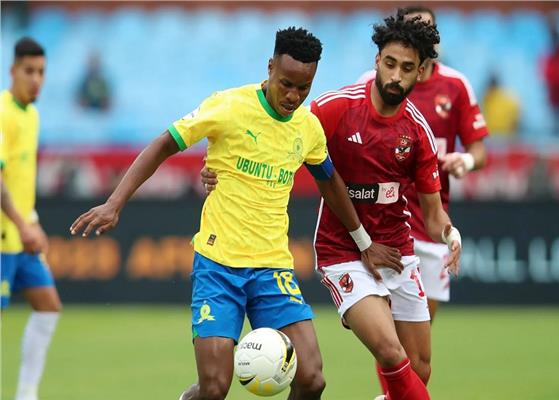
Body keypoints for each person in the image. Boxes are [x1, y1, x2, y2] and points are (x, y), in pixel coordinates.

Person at [69, 27, 401, 400]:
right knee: (214, 389)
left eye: (303, 88)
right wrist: (115, 203)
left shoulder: (307, 127)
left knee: (312, 378)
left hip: (272, 269)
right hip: (218, 265)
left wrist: (363, 241)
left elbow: (330, 181)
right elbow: (164, 144)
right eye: (286, 84)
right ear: (270, 67)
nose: (293, 96)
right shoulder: (228, 106)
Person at [201, 10, 462, 400]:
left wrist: (450, 233)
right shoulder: (337, 108)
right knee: (391, 353)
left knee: (419, 367)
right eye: (390, 63)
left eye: (407, 68)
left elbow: (433, 212)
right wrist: (220, 170)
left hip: (397, 252)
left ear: (421, 72)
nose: (395, 75)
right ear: (377, 60)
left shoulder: (417, 132)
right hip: (343, 252)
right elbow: (279, 136)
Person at [357, 5, 487, 323]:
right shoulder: (374, 83)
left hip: (431, 221)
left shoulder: (455, 85)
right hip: (382, 223)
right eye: (413, 29)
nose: (420, 36)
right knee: (386, 334)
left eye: (428, 30)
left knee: (420, 329)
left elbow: (479, 151)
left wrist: (466, 160)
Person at [1, 37, 62, 400]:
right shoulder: (3, 112)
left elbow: (20, 179)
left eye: (41, 72)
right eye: (29, 71)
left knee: (48, 307)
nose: (36, 79)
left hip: (21, 235)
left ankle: (26, 394)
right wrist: (23, 225)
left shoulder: (32, 115)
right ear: (13, 71)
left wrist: (32, 221)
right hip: (4, 237)